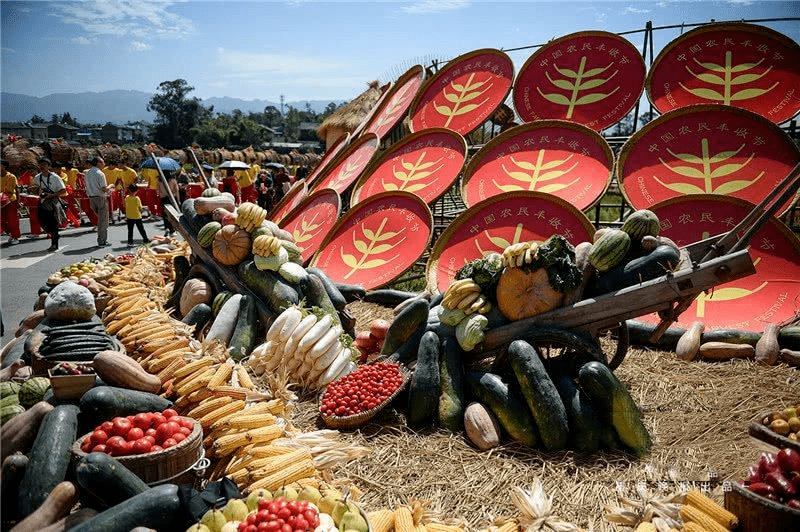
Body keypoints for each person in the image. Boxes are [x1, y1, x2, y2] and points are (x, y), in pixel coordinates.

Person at [32, 158, 68, 252]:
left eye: (44, 164)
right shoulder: (37, 177)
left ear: (49, 166)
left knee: (53, 223)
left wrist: (52, 195)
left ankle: (54, 244)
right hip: (42, 202)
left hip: (53, 203)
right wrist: (34, 190)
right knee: (43, 222)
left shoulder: (55, 177)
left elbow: (63, 190)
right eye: (40, 165)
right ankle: (54, 235)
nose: (42, 166)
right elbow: (35, 189)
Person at [84, 156, 111, 247]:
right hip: (100, 198)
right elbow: (103, 188)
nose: (104, 164)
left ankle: (101, 239)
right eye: (103, 162)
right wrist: (111, 186)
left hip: (91, 198)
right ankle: (102, 241)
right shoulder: (100, 173)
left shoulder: (87, 173)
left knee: (100, 219)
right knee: (103, 221)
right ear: (99, 162)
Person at [1, 159, 21, 245]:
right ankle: (10, 233)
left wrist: (18, 201)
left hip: (10, 200)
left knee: (13, 220)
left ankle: (15, 236)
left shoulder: (11, 177)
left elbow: (17, 189)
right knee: (2, 220)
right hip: (0, 201)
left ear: (4, 166)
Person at [158, 170, 179, 236]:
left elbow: (158, 190)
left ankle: (166, 228)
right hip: (172, 198)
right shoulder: (173, 180)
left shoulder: (159, 180)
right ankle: (172, 230)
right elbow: (176, 191)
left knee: (165, 215)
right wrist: (178, 201)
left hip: (164, 198)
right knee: (172, 214)